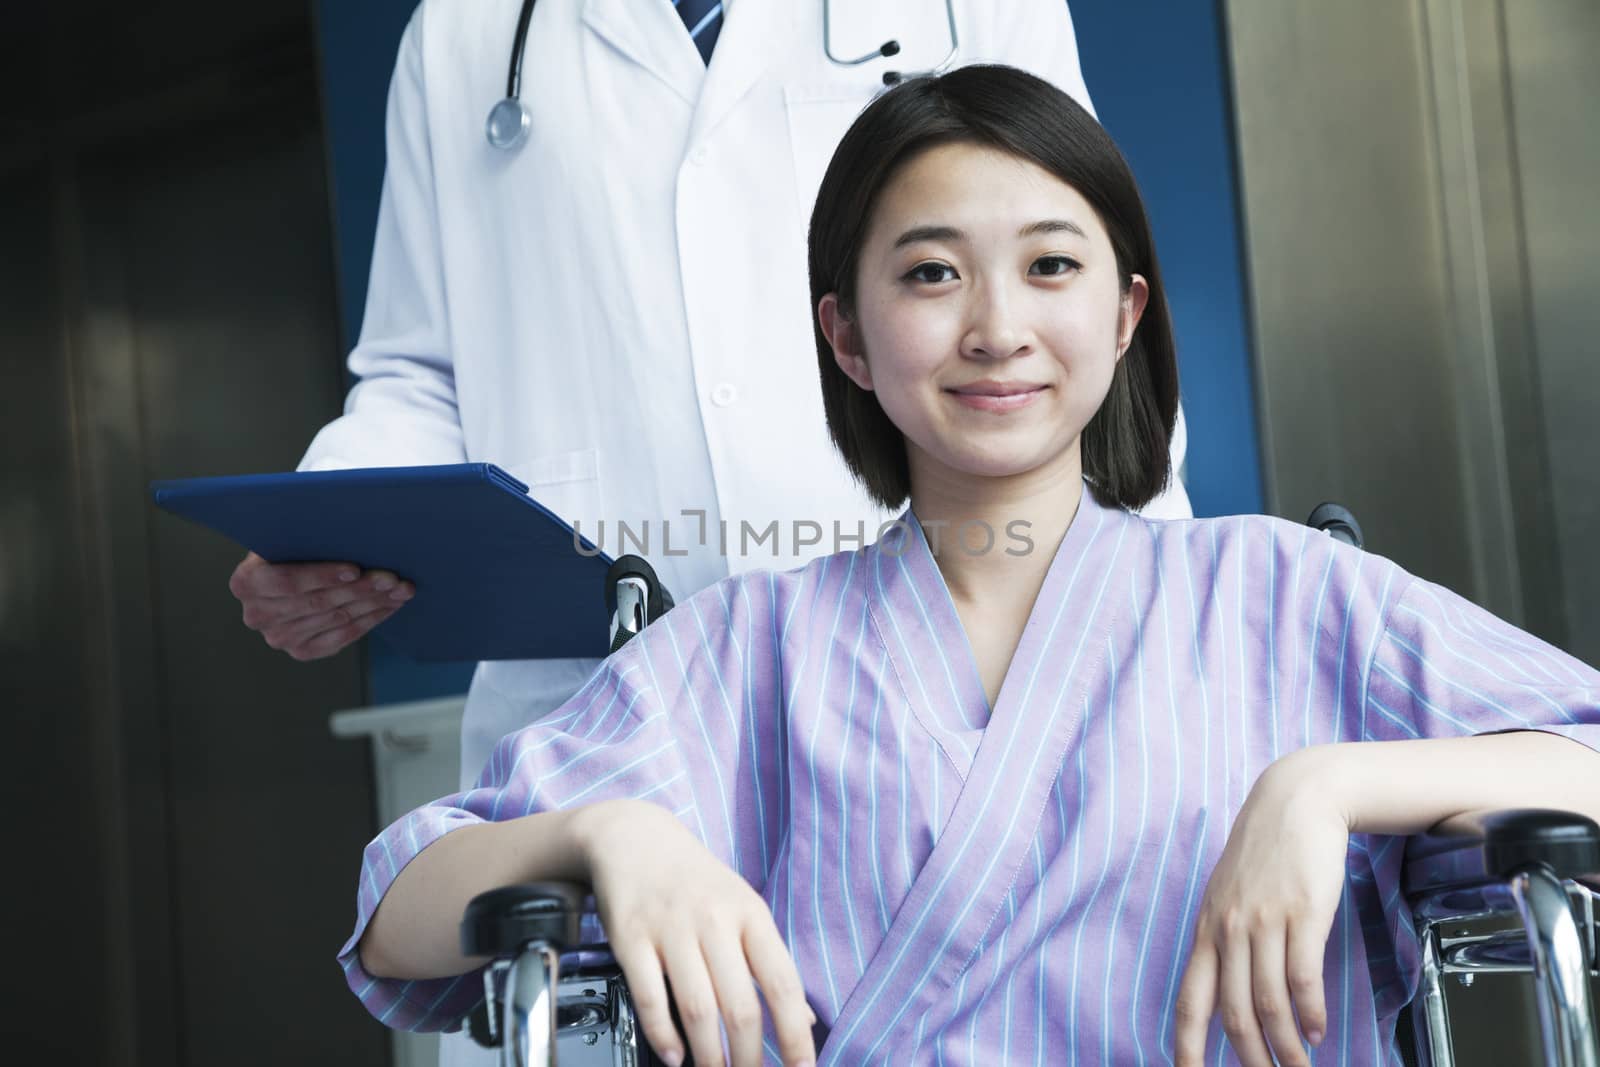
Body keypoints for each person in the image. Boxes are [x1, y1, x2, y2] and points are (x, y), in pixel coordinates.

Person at [337, 65, 1600, 1065]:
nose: (995, 327)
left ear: (1122, 316)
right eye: (932, 273)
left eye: (1051, 264)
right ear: (845, 335)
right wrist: (609, 833)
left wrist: (1324, 787)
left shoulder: (1286, 592)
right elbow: (398, 917)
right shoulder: (746, 648)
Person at [227, 0, 1193, 794]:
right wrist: (335, 529)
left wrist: (1150, 609)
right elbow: (418, 369)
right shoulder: (464, 33)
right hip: (597, 708)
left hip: (930, 663)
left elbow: (1073, 271)